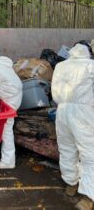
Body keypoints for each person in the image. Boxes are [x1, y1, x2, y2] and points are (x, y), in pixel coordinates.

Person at [51, 41, 94, 210]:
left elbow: (54, 92)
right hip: (84, 112)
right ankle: (90, 196)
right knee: (89, 153)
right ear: (88, 52)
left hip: (62, 111)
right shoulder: (91, 66)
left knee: (67, 148)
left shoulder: (61, 66)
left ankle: (71, 184)